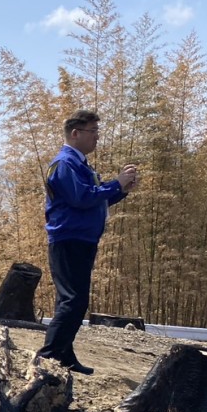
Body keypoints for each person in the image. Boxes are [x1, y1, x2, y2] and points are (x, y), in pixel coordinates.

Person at [36, 110, 138, 375]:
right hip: (69, 237)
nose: (97, 138)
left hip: (82, 238)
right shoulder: (65, 163)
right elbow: (81, 197)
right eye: (93, 132)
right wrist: (116, 183)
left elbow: (94, 200)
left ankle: (64, 354)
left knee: (70, 300)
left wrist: (120, 190)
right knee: (73, 300)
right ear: (75, 133)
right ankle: (47, 356)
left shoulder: (79, 164)